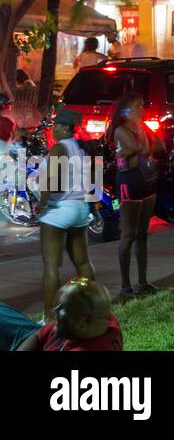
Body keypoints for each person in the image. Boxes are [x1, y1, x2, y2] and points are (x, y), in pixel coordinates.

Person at [34, 108, 96, 320]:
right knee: (83, 263)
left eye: (55, 125)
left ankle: (49, 319)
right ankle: (92, 306)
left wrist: (42, 203)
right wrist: (93, 210)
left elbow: (50, 179)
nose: (52, 129)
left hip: (59, 209)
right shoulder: (80, 148)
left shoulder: (60, 148)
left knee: (52, 267)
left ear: (64, 128)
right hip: (80, 208)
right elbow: (91, 181)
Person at [107, 93, 157, 300]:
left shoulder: (140, 128)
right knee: (128, 234)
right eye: (137, 107)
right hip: (129, 182)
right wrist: (140, 132)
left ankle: (142, 281)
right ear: (126, 111)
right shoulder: (120, 130)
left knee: (143, 233)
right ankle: (125, 286)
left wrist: (143, 136)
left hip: (146, 180)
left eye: (142, 106)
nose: (141, 110)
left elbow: (148, 148)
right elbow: (138, 147)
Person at [4, 278, 121, 351]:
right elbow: (37, 335)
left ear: (82, 324)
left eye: (61, 308)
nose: (55, 311)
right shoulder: (99, 319)